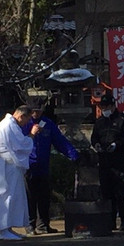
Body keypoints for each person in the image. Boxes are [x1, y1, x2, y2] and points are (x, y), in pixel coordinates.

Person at [24, 99, 79, 235]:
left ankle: (43, 224)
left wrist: (74, 155)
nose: (36, 114)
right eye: (33, 111)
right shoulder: (24, 124)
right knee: (29, 197)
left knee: (44, 196)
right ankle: (29, 224)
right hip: (27, 165)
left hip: (43, 165)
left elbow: (60, 141)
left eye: (38, 111)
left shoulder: (48, 124)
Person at [90, 92, 124, 232]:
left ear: (113, 105)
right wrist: (96, 144)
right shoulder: (100, 122)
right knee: (106, 192)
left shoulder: (123, 119)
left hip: (119, 160)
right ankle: (109, 221)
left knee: (121, 192)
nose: (104, 109)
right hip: (104, 161)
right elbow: (94, 137)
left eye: (106, 106)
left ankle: (123, 220)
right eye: (102, 106)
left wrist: (117, 144)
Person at [0, 105, 38, 240]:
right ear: (21, 116)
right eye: (27, 119)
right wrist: (32, 134)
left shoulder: (8, 124)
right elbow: (22, 144)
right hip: (9, 163)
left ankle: (8, 227)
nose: (26, 123)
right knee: (8, 194)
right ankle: (4, 229)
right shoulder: (9, 125)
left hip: (10, 163)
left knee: (13, 194)